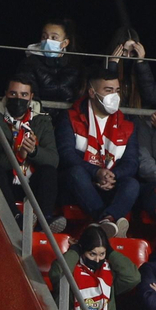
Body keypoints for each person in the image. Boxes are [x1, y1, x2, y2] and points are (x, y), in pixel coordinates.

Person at [53, 68, 139, 235]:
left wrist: (113, 176)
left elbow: (132, 162)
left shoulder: (127, 124)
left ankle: (104, 220)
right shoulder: (70, 117)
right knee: (75, 172)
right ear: (92, 92)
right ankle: (107, 222)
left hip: (110, 185)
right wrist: (96, 172)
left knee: (132, 184)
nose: (114, 96)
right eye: (108, 90)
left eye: (117, 91)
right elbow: (66, 154)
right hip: (81, 185)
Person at [0, 76, 57, 221]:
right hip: (6, 183)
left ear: (31, 97)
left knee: (49, 171)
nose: (18, 99)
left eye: (24, 95)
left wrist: (34, 151)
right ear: (6, 94)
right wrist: (18, 156)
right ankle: (15, 217)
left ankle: (45, 220)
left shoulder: (42, 120)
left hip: (31, 182)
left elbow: (53, 159)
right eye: (13, 94)